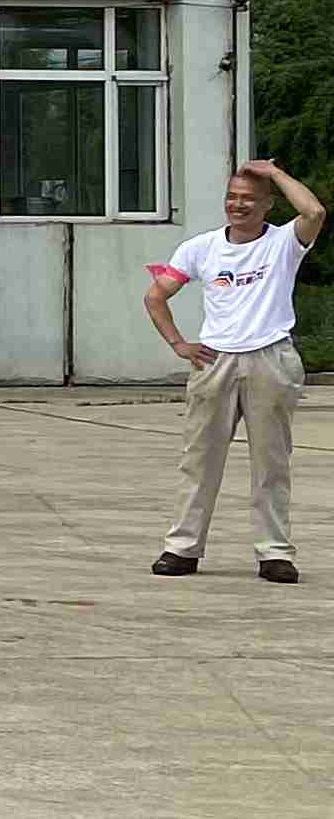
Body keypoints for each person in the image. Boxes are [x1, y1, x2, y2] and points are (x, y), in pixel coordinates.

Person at [145, 156, 320, 583]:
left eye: (249, 198)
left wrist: (274, 173)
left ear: (267, 205)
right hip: (214, 362)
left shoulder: (283, 242)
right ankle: (182, 548)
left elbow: (314, 212)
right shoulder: (201, 248)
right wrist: (179, 344)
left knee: (271, 462)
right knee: (199, 460)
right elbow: (156, 296)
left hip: (271, 359)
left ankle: (274, 553)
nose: (238, 205)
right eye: (232, 197)